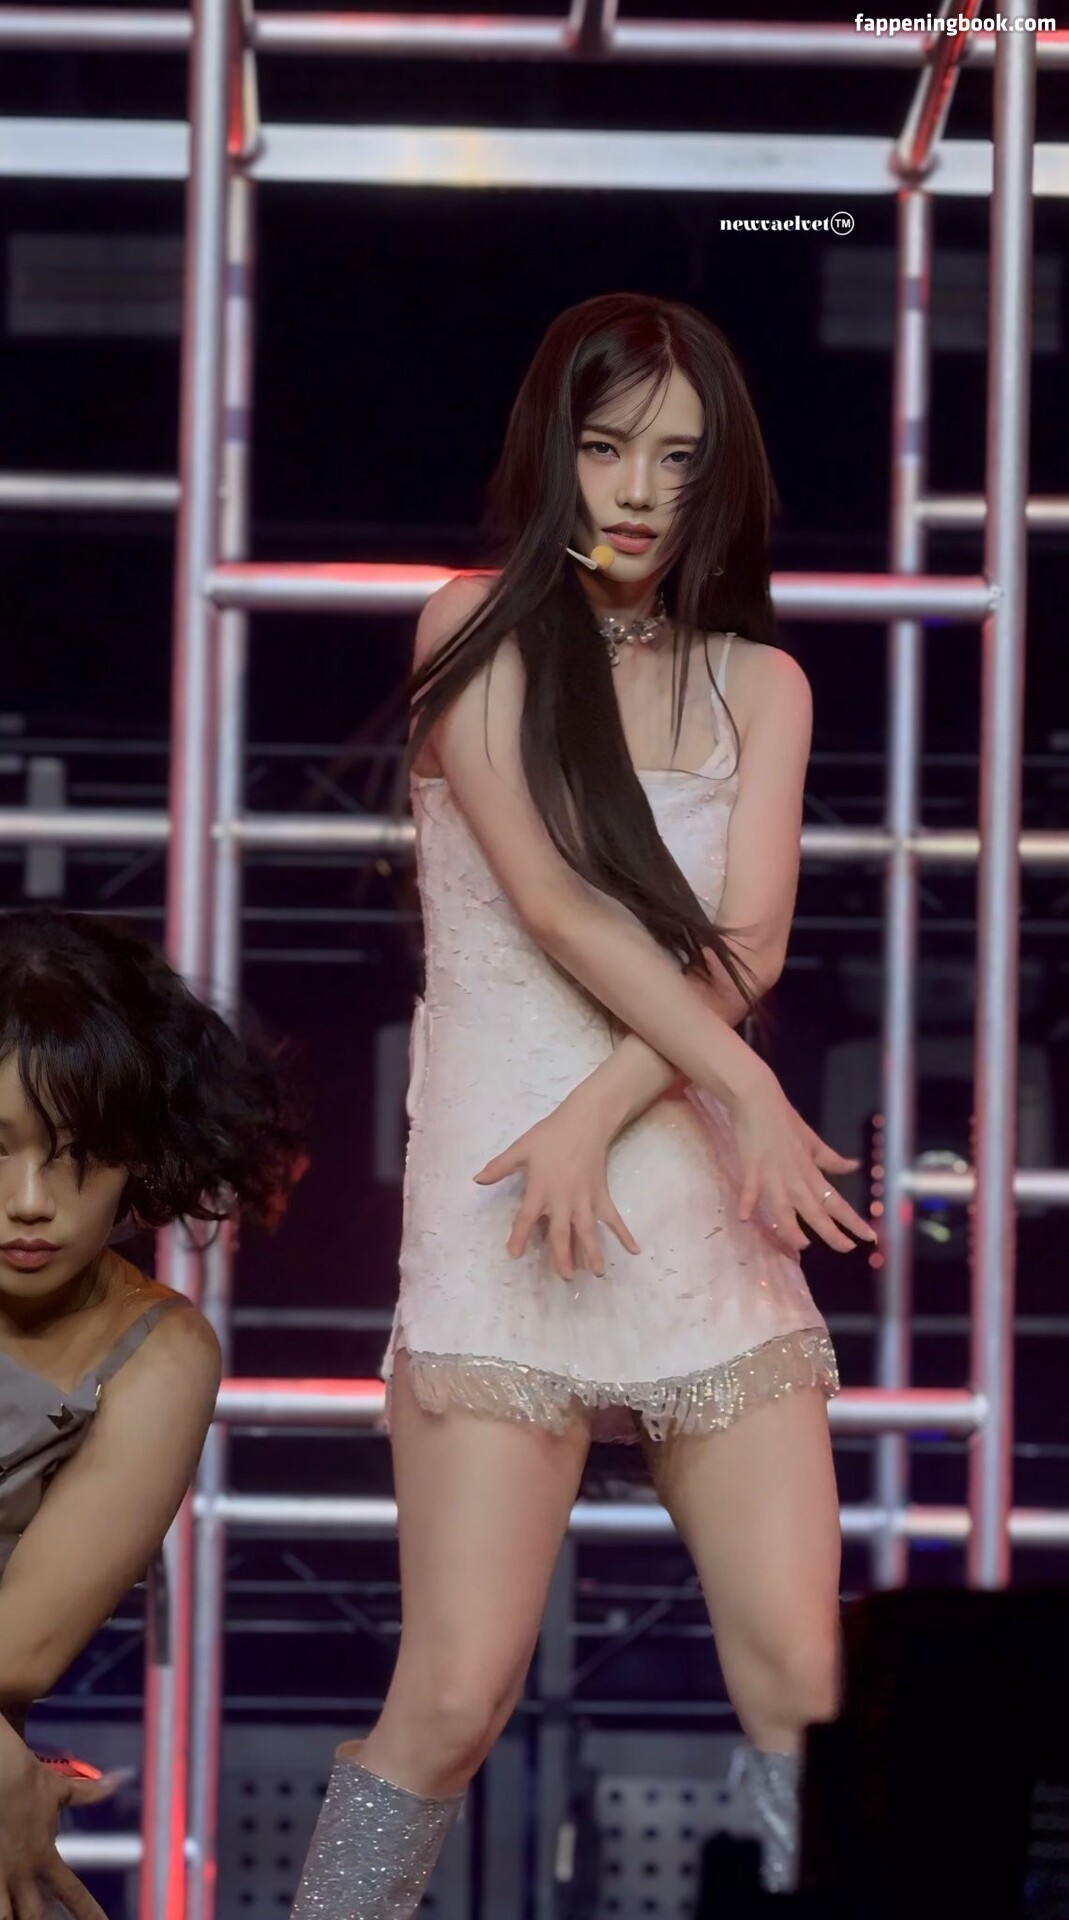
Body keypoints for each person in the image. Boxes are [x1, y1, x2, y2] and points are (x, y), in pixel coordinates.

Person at [290, 290, 876, 1917]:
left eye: (677, 460)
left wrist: (627, 1102)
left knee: (805, 1686)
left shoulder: (760, 684)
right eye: (608, 447)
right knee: (453, 1695)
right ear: (552, 448)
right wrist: (730, 1083)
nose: (636, 491)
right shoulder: (466, 625)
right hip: (501, 1200)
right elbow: (550, 903)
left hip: (690, 1197)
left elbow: (744, 948)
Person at [0, 907, 305, 1920]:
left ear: (142, 1147)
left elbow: (19, 1651)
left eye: (80, 1152)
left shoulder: (161, 1354)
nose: (32, 1200)